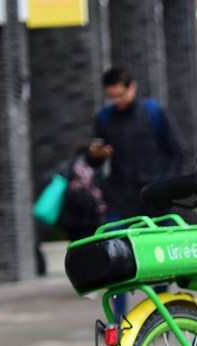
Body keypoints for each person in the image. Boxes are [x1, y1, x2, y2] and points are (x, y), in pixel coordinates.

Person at [89, 66, 186, 222]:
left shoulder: (153, 112)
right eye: (111, 96)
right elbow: (93, 161)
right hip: (119, 203)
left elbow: (178, 151)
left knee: (157, 245)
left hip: (155, 202)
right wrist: (95, 156)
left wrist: (166, 186)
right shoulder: (104, 117)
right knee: (117, 244)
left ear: (132, 87)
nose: (116, 101)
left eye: (120, 95)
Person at [58, 140, 108, 242]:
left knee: (78, 247)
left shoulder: (70, 165)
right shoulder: (89, 168)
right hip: (86, 219)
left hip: (71, 219)